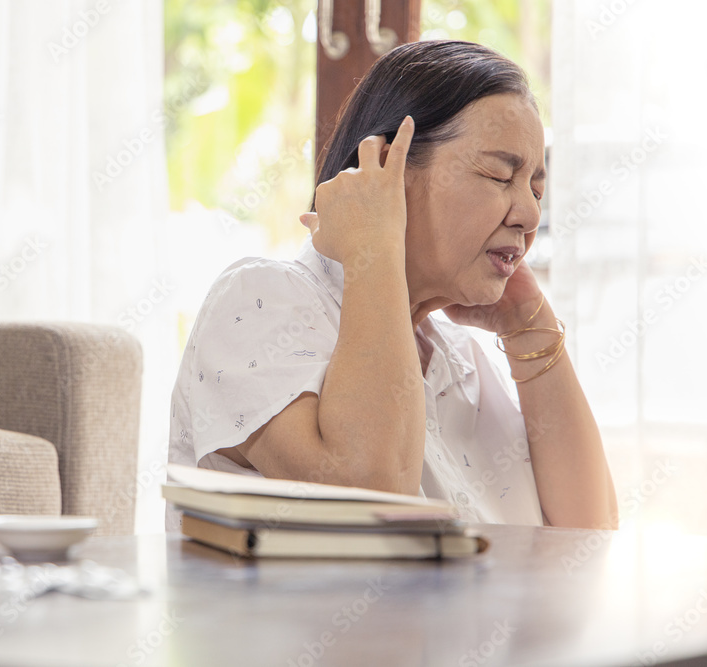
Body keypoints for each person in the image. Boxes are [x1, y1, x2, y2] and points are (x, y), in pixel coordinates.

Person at [168, 40, 618, 530]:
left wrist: (529, 323)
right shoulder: (260, 302)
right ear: (389, 168)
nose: (530, 214)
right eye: (498, 174)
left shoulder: (458, 360)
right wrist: (373, 247)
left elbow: (588, 534)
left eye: (535, 187)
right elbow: (373, 505)